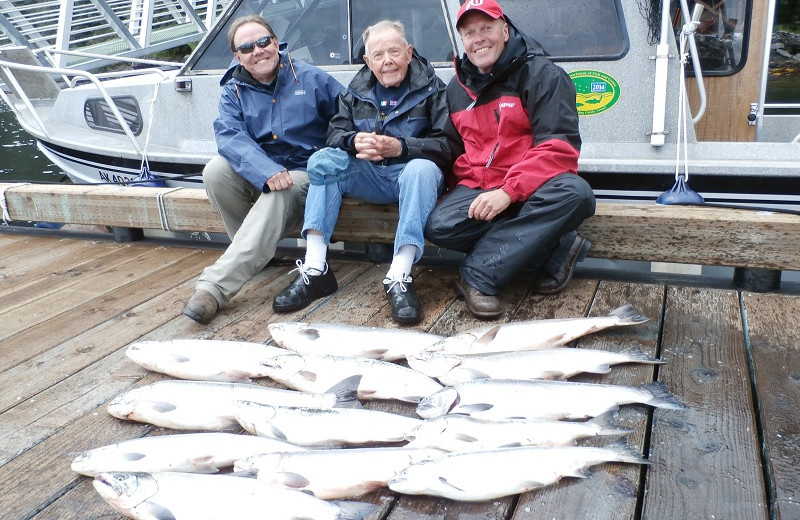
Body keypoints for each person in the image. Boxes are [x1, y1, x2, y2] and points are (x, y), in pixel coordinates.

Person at [424, 0, 596, 319]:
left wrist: (509, 192)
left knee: (576, 194)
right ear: (462, 41)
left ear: (505, 29)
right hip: (480, 185)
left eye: (487, 28)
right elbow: (450, 147)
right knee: (440, 226)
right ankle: (558, 249)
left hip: (532, 186)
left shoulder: (544, 75)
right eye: (469, 32)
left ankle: (477, 277)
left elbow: (559, 148)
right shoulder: (456, 88)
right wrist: (401, 150)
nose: (479, 38)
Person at [271, 20, 450, 325]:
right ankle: (316, 269)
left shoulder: (434, 90)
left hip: (410, 177)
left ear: (409, 53)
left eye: (394, 51)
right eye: (378, 55)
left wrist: (401, 147)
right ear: (368, 61)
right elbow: (335, 133)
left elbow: (448, 146)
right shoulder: (355, 92)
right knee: (327, 161)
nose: (387, 61)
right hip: (369, 176)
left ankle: (399, 274)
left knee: (422, 169)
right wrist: (353, 141)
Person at [182, 14, 344, 325]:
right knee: (215, 171)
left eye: (263, 41)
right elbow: (229, 136)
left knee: (278, 191)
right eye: (247, 47)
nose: (258, 51)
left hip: (306, 172)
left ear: (276, 42)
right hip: (265, 172)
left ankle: (214, 288)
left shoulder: (312, 79)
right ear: (237, 56)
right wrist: (266, 170)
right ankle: (256, 253)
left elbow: (347, 119)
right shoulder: (233, 90)